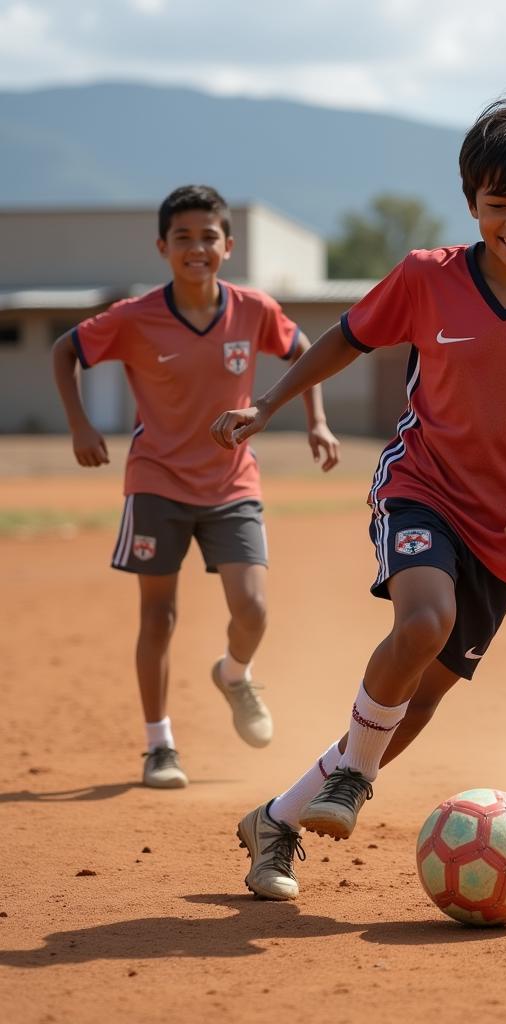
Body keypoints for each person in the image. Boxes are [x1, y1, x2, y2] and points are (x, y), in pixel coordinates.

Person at [211, 90, 506, 901]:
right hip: (424, 486)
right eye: (497, 203)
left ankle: (278, 818)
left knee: (423, 696)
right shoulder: (426, 278)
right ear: (471, 202)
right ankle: (353, 783)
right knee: (424, 621)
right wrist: (267, 404)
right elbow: (346, 335)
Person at [52, 184, 340, 790]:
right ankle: (160, 747)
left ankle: (234, 674)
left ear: (228, 245)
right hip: (156, 479)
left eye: (208, 236)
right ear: (163, 247)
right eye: (182, 237)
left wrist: (316, 420)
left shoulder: (254, 310)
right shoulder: (135, 317)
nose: (196, 247)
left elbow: (305, 350)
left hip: (233, 481)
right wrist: (80, 422)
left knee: (253, 608)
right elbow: (64, 350)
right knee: (158, 617)